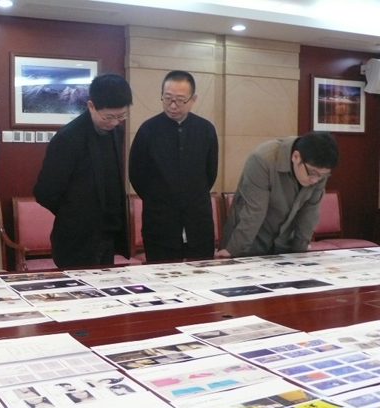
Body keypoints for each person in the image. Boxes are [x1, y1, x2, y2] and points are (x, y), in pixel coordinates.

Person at [33, 73, 133, 268]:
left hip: (108, 237)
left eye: (121, 116)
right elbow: (44, 192)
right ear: (91, 106)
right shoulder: (68, 138)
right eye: (109, 117)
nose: (114, 122)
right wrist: (74, 213)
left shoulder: (116, 133)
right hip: (76, 241)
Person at [129, 70, 218, 262]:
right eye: (167, 98)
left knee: (202, 275)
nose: (172, 105)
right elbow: (136, 175)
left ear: (193, 99)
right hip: (160, 224)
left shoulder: (206, 130)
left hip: (198, 223)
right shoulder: (148, 130)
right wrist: (160, 198)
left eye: (180, 100)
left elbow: (210, 174)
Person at [216, 131, 339, 258]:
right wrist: (233, 251)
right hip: (248, 243)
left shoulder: (318, 173)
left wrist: (300, 248)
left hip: (284, 246)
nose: (315, 180)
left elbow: (310, 212)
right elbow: (254, 211)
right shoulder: (263, 159)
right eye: (312, 173)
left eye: (322, 176)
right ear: (296, 156)